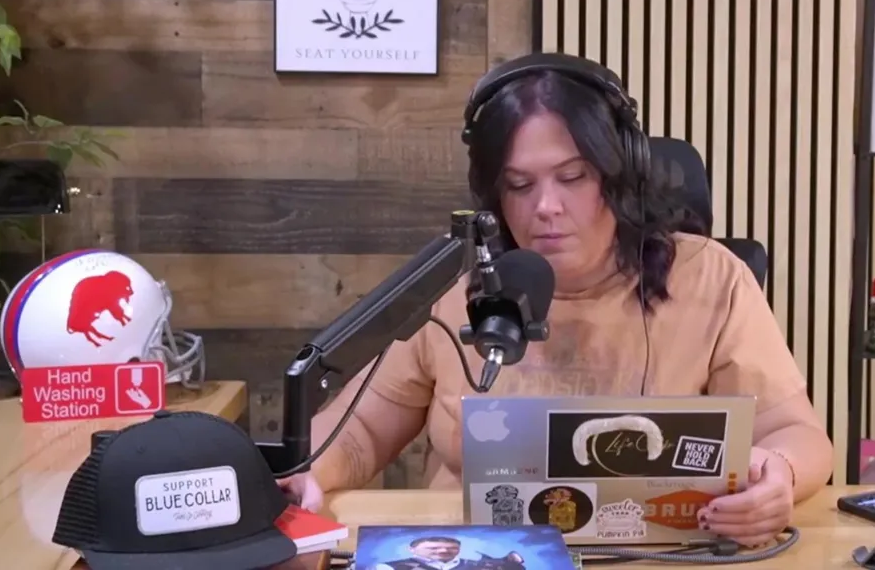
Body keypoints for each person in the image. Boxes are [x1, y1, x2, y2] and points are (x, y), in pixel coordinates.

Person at [279, 55, 835, 547]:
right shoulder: (458, 285)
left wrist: (779, 474)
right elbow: (359, 431)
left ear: (621, 174)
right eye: (520, 186)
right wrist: (308, 474)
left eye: (572, 176)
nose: (545, 206)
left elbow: (798, 433)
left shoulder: (711, 279)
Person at [370, 535, 521, 570]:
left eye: (451, 548)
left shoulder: (480, 566)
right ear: (412, 549)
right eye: (433, 548)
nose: (443, 551)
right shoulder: (389, 568)